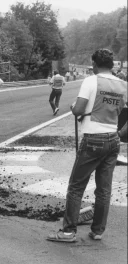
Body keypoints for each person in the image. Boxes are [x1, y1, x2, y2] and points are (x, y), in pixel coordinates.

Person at [47, 49, 127, 243]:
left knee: (76, 186)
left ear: (94, 64)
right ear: (112, 65)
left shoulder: (91, 81)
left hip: (93, 140)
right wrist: (119, 134)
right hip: (113, 140)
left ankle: (68, 232)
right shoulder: (123, 85)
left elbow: (79, 110)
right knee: (104, 189)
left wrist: (74, 108)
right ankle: (98, 230)